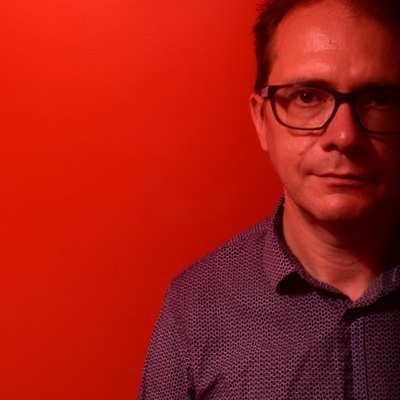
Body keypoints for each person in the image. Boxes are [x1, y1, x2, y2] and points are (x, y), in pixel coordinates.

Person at [138, 0, 400, 398]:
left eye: (379, 100)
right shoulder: (195, 308)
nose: (345, 136)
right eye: (307, 97)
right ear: (262, 120)